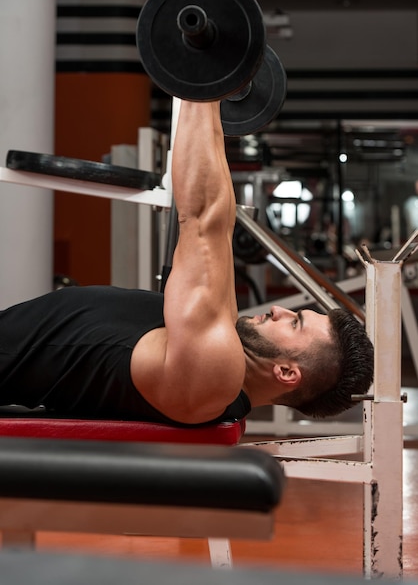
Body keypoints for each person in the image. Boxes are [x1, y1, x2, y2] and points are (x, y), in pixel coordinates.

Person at [0, 101, 374, 425]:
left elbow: (201, 218)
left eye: (295, 322)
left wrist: (199, 84)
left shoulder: (214, 376)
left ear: (287, 372)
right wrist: (213, 97)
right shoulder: (222, 344)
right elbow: (220, 221)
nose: (278, 309)